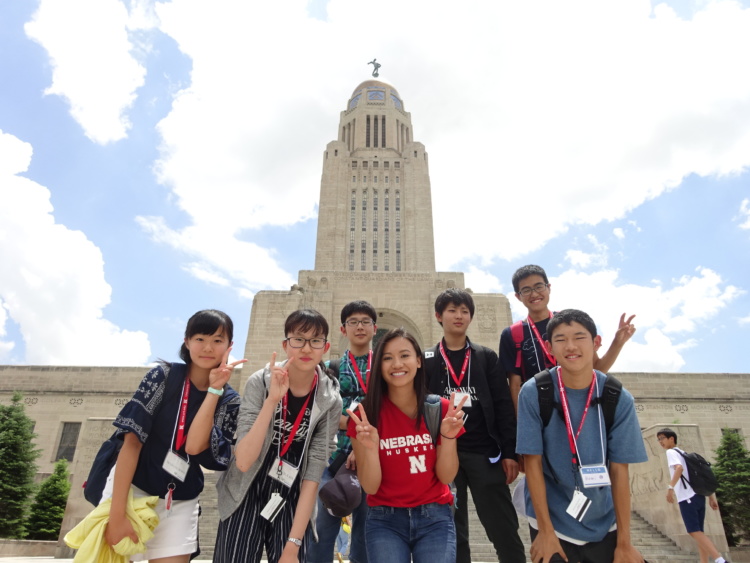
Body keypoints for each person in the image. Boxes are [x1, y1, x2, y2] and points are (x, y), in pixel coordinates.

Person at [103, 309, 245, 562]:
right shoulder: (163, 377)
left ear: (229, 346)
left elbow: (193, 447)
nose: (208, 347)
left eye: (217, 340)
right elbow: (131, 444)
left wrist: (214, 390)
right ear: (187, 340)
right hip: (133, 488)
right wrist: (117, 515)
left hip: (180, 499)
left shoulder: (230, 400)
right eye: (200, 338)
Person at [516, 309, 647, 563]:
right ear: (548, 347)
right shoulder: (534, 392)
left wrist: (624, 543)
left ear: (596, 342)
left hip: (603, 519)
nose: (571, 346)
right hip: (551, 519)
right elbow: (532, 463)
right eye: (561, 339)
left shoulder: (617, 397)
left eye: (579, 337)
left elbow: (620, 470)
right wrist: (545, 531)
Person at [214, 308, 342, 563]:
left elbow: (314, 471)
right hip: (246, 485)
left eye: (315, 340)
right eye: (298, 339)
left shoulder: (330, 400)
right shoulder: (259, 382)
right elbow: (243, 461)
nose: (306, 348)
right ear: (285, 345)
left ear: (325, 347)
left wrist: (292, 546)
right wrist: (272, 400)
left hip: (293, 490)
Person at [347, 327, 467, 563]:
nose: (397, 364)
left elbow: (446, 476)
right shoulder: (365, 414)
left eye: (404, 355)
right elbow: (370, 487)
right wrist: (371, 449)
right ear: (379, 366)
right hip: (384, 519)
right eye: (387, 358)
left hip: (435, 517)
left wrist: (449, 438)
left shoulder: (441, 409)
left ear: (419, 361)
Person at [424, 288, 525, 563]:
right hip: (443, 456)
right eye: (452, 310)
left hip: (485, 454)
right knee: (453, 531)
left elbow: (504, 406)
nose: (459, 316)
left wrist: (509, 453)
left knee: (503, 526)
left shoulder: (485, 357)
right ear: (438, 316)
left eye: (464, 311)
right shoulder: (427, 360)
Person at [499, 265, 637, 413]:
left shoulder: (572, 322)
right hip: (539, 411)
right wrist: (522, 423)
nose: (534, 294)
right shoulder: (512, 334)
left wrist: (618, 343)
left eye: (539, 286)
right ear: (518, 296)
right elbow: (514, 384)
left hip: (579, 405)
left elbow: (596, 368)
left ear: (548, 288)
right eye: (526, 290)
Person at [309, 300, 376, 563]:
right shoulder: (330, 368)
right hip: (333, 458)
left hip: (374, 460)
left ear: (374, 327)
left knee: (366, 536)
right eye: (353, 322)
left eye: (365, 322)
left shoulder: (385, 368)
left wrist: (358, 434)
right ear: (343, 329)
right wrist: (360, 425)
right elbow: (323, 412)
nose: (359, 327)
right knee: (322, 532)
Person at [656, 428, 728, 563]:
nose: (660, 442)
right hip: (699, 496)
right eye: (659, 439)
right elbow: (700, 475)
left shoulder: (671, 452)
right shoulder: (684, 453)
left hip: (687, 497)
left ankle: (719, 560)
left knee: (693, 531)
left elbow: (679, 468)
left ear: (672, 439)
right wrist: (711, 497)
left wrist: (670, 488)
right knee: (699, 532)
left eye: (662, 438)